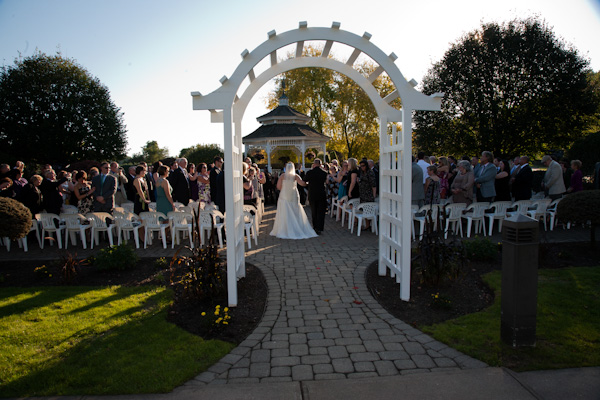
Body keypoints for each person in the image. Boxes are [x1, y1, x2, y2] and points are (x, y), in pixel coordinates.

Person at [270, 162, 317, 239]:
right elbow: (302, 184)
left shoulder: (282, 176)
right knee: (295, 210)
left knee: (284, 211)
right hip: (293, 195)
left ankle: (284, 229)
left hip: (284, 195)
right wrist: (308, 182)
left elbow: (278, 186)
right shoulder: (295, 176)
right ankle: (296, 227)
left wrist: (284, 190)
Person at [303, 158, 328, 234]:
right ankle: (320, 228)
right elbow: (326, 182)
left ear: (314, 164)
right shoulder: (324, 173)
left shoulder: (310, 172)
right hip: (321, 193)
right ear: (320, 165)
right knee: (321, 211)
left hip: (312, 193)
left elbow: (304, 180)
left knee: (314, 211)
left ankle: (315, 227)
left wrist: (309, 185)